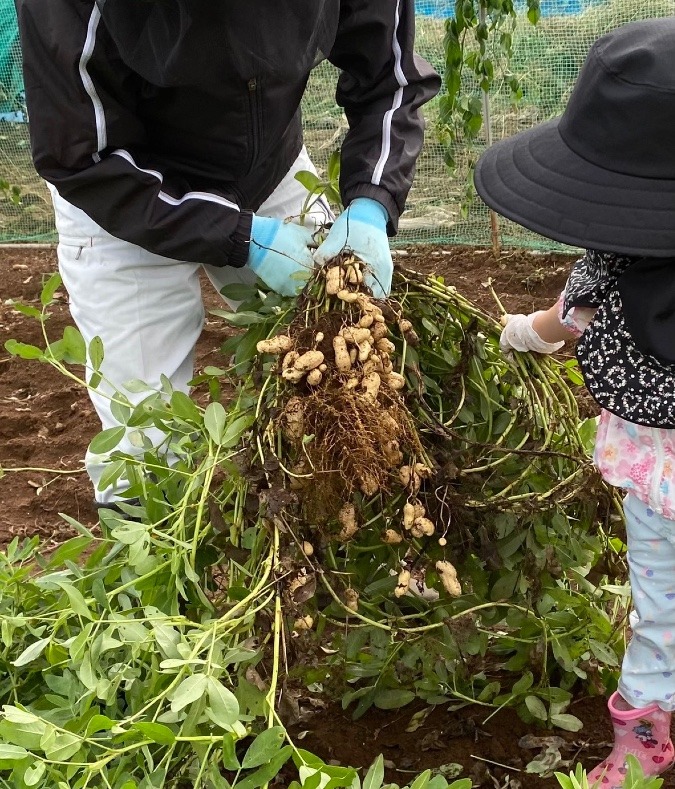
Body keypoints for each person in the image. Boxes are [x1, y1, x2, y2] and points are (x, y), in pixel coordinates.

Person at [14, 0, 440, 505]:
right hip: (121, 191)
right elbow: (79, 154)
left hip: (267, 168)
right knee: (147, 452)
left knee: (352, 362)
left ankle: (353, 543)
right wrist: (241, 239)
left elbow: (390, 78)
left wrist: (372, 200)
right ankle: (148, 556)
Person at [473, 17, 675, 787]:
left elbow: (559, 325)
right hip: (654, 471)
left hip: (652, 472)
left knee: (657, 606)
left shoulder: (602, 267)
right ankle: (648, 729)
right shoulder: (608, 264)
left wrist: (518, 333)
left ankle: (645, 736)